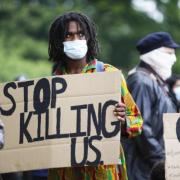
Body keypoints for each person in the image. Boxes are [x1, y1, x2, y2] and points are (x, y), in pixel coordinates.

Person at [48, 11, 143, 180]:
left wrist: (122, 121)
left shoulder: (109, 75)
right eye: (69, 35)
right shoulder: (51, 84)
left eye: (80, 34)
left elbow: (136, 121)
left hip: (102, 171)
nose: (75, 40)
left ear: (88, 38)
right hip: (65, 172)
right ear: (59, 41)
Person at [123, 31, 180, 180]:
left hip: (153, 169)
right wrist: (163, 162)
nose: (174, 59)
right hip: (143, 172)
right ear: (154, 54)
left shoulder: (156, 82)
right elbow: (140, 127)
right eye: (169, 53)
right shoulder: (141, 82)